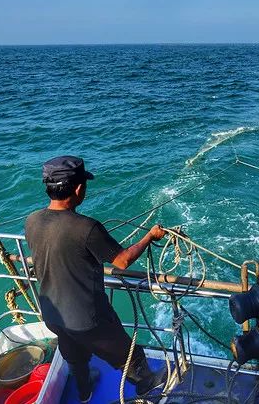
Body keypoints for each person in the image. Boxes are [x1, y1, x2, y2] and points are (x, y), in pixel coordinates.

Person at [25, 156, 167, 403]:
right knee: (130, 354)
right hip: (88, 319)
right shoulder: (87, 228)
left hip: (53, 315)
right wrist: (149, 237)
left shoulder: (32, 220)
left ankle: (84, 391)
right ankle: (146, 385)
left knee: (74, 356)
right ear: (79, 189)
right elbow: (121, 261)